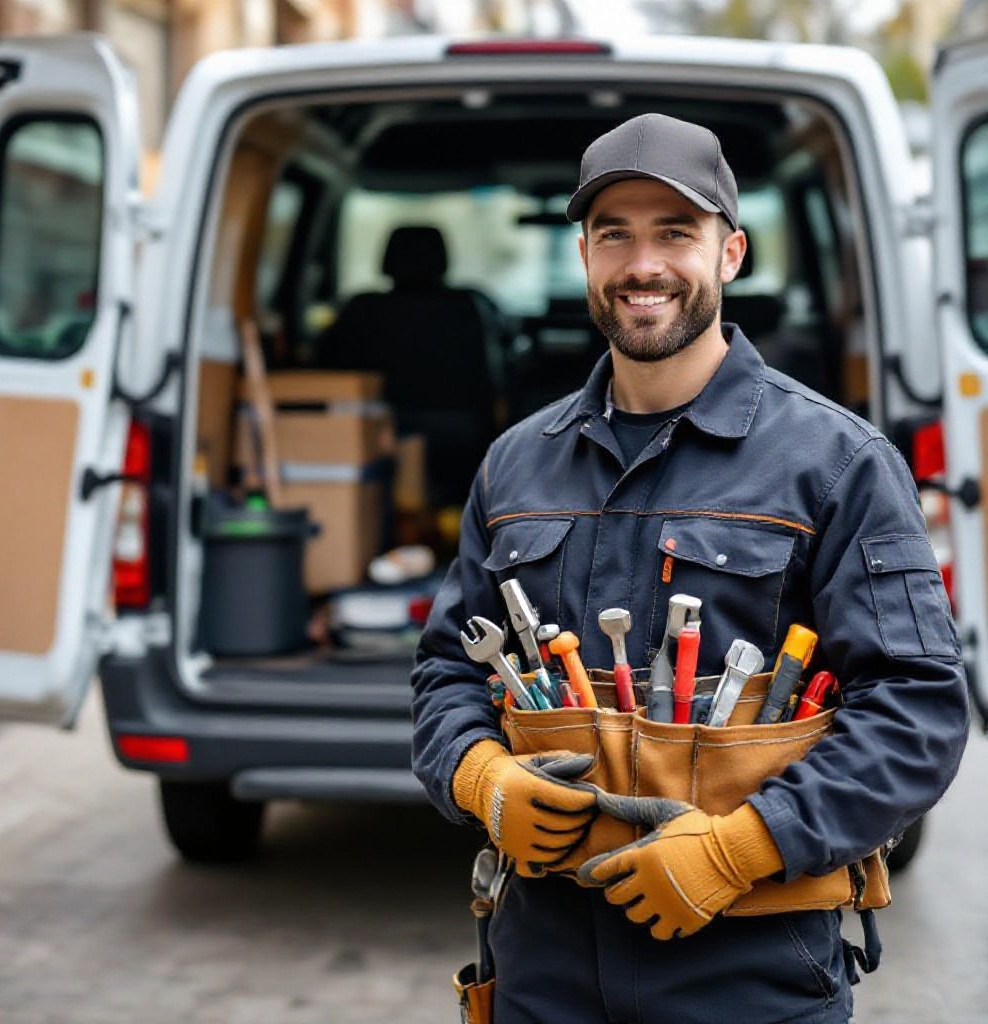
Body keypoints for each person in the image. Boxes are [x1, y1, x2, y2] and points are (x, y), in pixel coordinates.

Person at [411, 113, 969, 1024]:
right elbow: (444, 671)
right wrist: (481, 776)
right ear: (585, 256)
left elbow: (917, 706)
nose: (644, 266)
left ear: (732, 253)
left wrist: (741, 849)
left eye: (676, 232)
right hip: (541, 963)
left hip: (750, 969)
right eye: (615, 235)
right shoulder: (514, 465)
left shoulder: (836, 463)